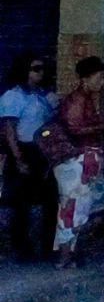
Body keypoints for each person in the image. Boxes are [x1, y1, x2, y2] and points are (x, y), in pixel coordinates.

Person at [41, 56, 104, 269]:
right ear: (86, 78)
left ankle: (69, 254)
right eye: (100, 77)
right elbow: (75, 129)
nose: (102, 82)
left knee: (78, 208)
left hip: (83, 160)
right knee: (72, 209)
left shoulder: (87, 99)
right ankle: (65, 257)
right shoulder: (77, 100)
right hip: (76, 160)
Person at [0, 55, 57, 261]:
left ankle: (49, 246)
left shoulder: (42, 95)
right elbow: (9, 131)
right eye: (36, 69)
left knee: (51, 200)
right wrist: (18, 159)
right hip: (24, 150)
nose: (40, 73)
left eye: (42, 69)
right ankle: (22, 248)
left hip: (43, 150)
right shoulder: (13, 96)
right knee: (21, 204)